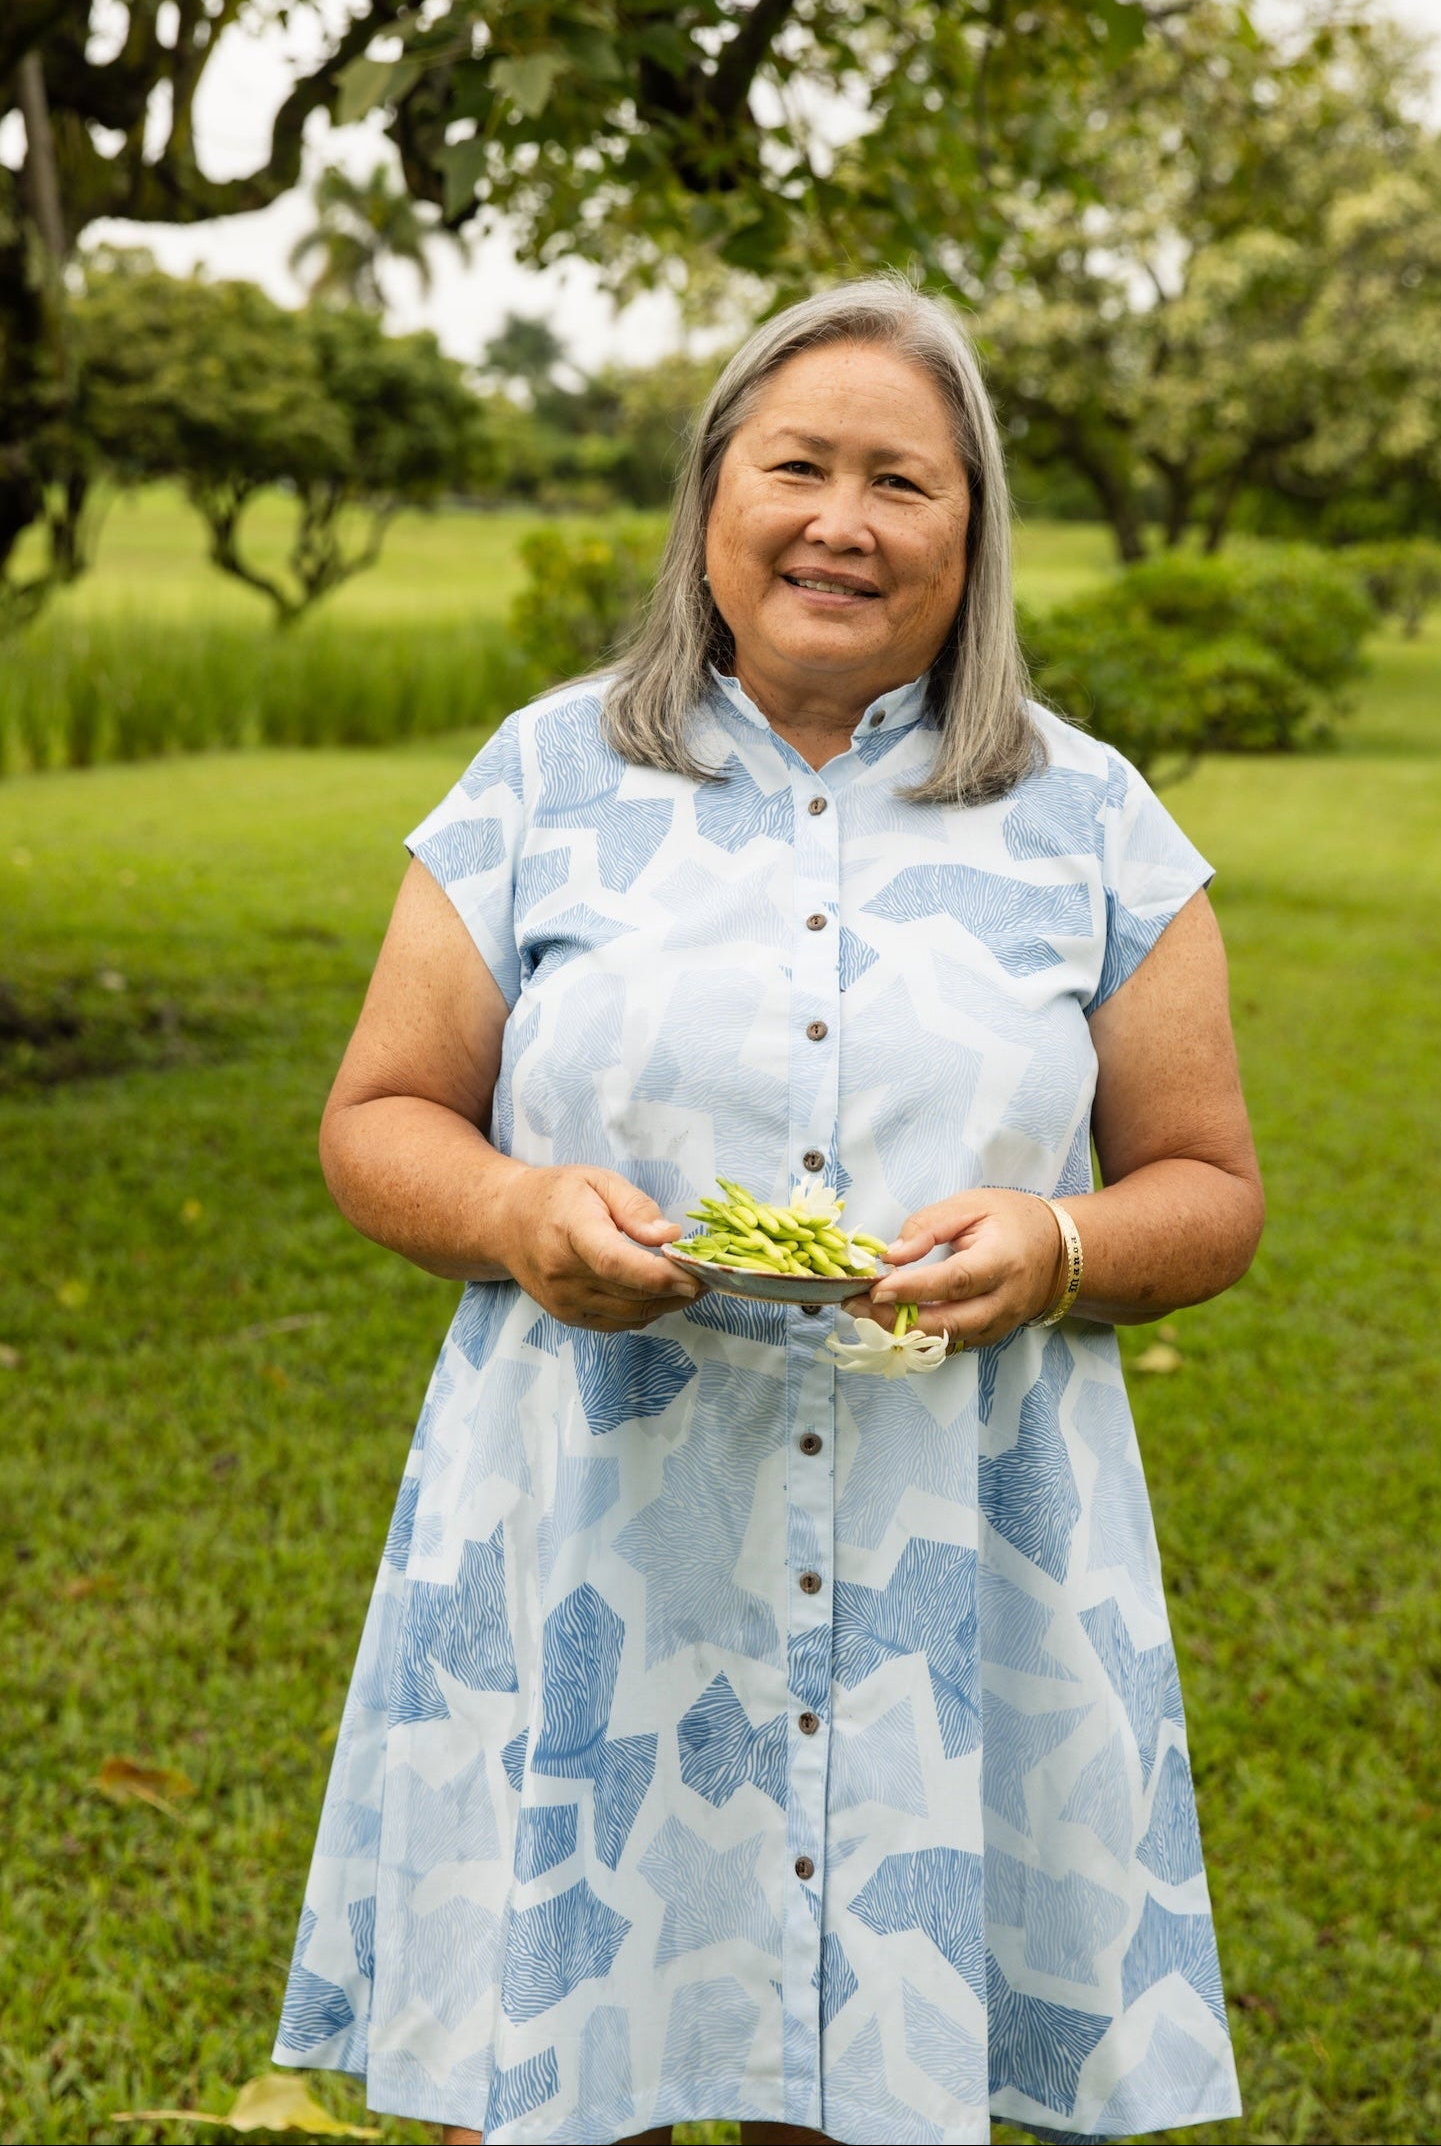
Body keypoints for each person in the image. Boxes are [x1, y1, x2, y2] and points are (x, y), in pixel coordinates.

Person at [272, 277, 1263, 2146]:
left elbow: (1210, 1193)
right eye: (796, 464)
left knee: (878, 2094)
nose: (843, 519)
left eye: (904, 480)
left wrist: (1056, 1250)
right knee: (570, 2086)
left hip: (942, 1556)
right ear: (711, 501)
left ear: (971, 539)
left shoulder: (1094, 821)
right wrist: (514, 1207)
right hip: (596, 1545)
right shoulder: (544, 777)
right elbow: (376, 1118)